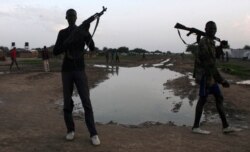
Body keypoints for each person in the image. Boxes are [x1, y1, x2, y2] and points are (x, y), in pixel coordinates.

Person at [53, 9, 100, 145]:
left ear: (76, 17)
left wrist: (86, 33)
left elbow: (91, 47)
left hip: (79, 69)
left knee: (86, 101)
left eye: (73, 16)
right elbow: (56, 51)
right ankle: (70, 130)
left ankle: (93, 133)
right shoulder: (62, 33)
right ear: (66, 18)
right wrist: (67, 43)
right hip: (66, 70)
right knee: (67, 102)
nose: (71, 18)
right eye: (69, 16)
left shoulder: (82, 31)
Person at [192, 21, 241, 134]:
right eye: (211, 28)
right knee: (202, 100)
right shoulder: (204, 42)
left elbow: (215, 56)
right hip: (205, 75)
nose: (213, 30)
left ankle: (225, 126)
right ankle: (195, 127)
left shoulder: (211, 42)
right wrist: (222, 80)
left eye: (214, 29)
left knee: (219, 98)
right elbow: (209, 64)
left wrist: (220, 47)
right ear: (205, 29)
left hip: (211, 76)